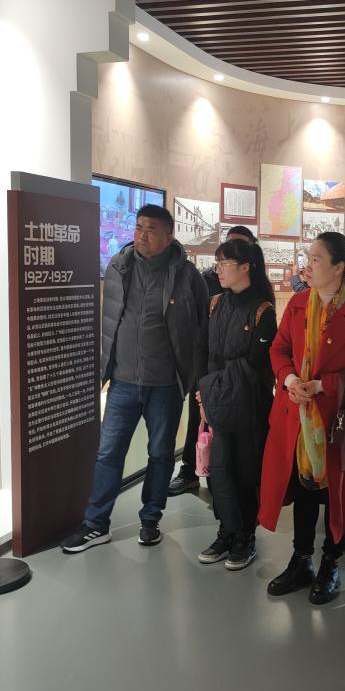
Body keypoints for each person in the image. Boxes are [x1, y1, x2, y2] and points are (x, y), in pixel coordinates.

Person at [62, 204, 208, 552]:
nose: (142, 235)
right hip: (123, 381)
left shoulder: (188, 276)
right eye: (139, 227)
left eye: (151, 229)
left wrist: (193, 379)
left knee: (160, 454)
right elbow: (110, 320)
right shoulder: (119, 266)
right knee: (108, 452)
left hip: (165, 384)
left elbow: (202, 330)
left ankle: (150, 520)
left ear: (169, 236)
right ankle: (96, 524)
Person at [258, 232, 345, 604]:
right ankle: (301, 560)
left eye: (316, 259)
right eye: (308, 258)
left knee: (335, 495)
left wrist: (322, 386)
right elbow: (279, 349)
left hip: (337, 420)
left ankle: (331, 563)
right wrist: (291, 380)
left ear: (339, 267)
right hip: (296, 415)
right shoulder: (298, 303)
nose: (307, 266)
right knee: (303, 488)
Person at [192, 239, 276, 570]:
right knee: (220, 473)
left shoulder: (263, 311)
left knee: (245, 472)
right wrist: (202, 394)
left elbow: (255, 366)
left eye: (224, 263)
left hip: (248, 406)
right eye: (218, 263)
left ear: (245, 267)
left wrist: (212, 390)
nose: (218, 270)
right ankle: (226, 531)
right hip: (216, 400)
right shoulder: (215, 304)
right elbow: (202, 350)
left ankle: (245, 536)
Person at [169, 225, 258, 498]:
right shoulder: (208, 281)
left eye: (235, 251)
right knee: (198, 424)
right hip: (207, 373)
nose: (221, 266)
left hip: (235, 385)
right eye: (223, 253)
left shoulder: (259, 300)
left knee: (233, 448)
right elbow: (200, 335)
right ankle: (191, 470)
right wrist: (203, 382)